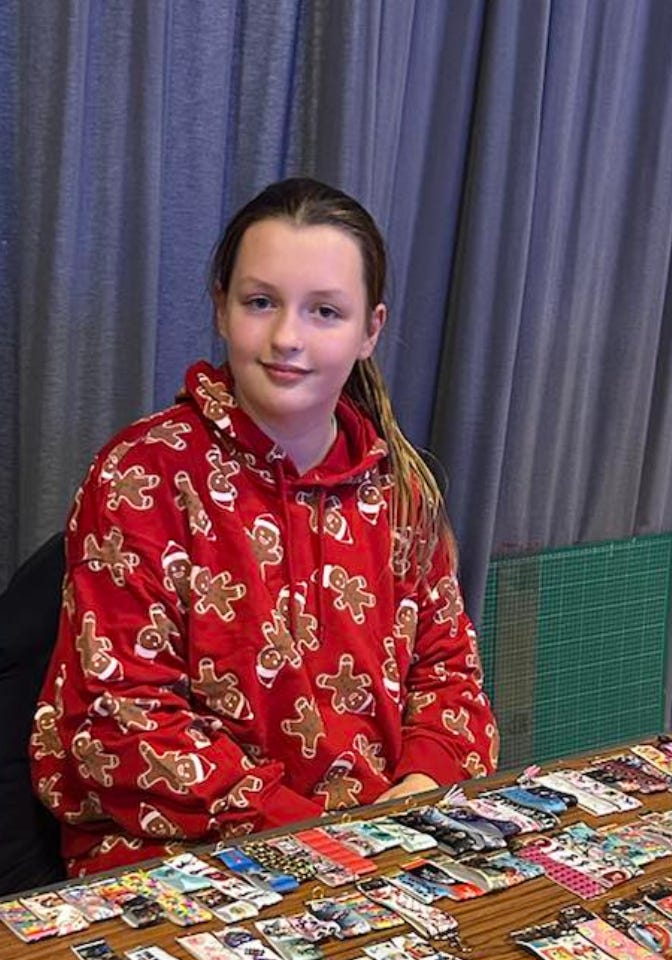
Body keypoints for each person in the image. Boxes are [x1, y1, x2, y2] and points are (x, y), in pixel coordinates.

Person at [32, 177, 499, 876]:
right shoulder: (144, 475)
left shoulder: (403, 491)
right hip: (184, 856)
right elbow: (123, 723)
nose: (287, 338)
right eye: (260, 303)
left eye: (325, 312)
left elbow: (450, 677)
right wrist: (320, 835)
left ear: (370, 330)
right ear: (221, 309)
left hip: (385, 842)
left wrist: (416, 796)